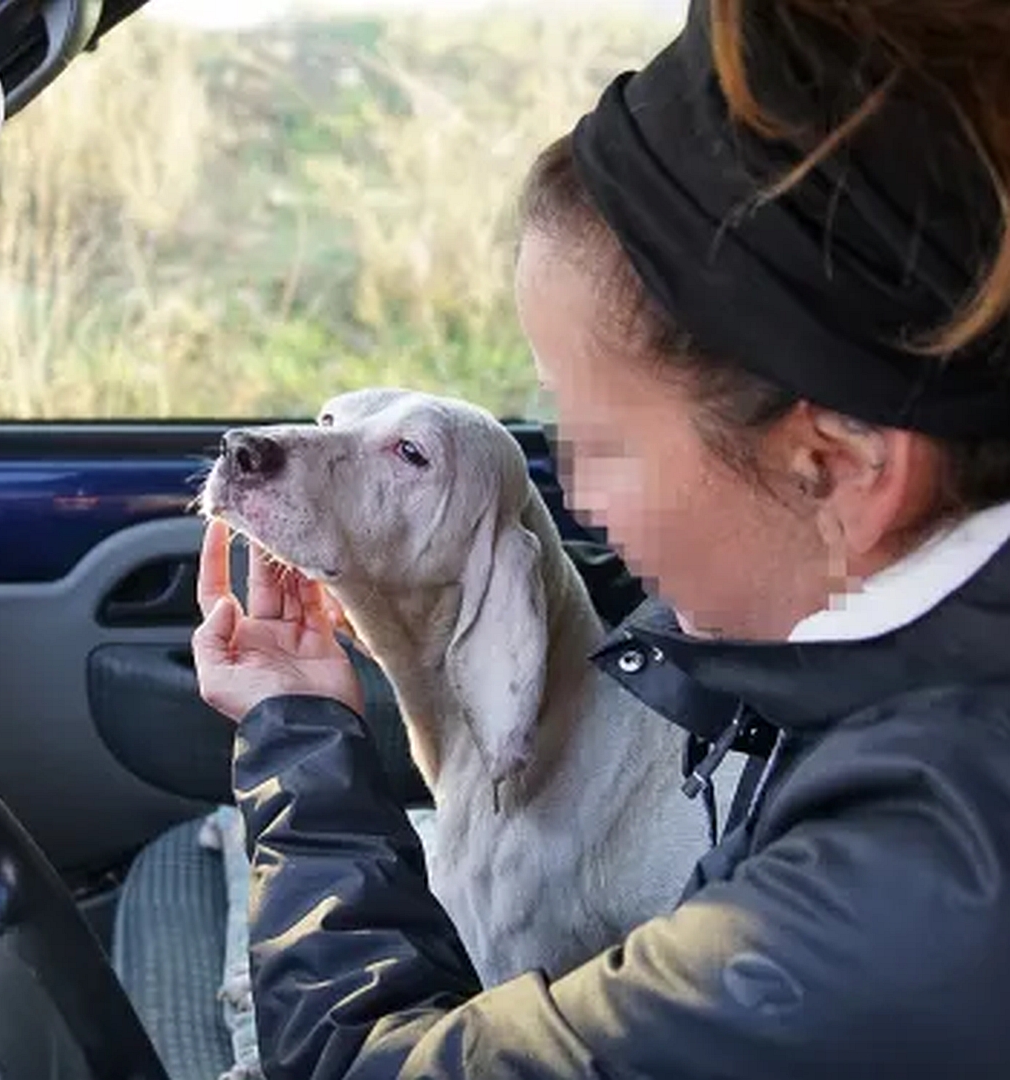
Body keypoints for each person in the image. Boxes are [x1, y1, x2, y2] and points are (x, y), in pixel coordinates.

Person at [192, 0, 1010, 1075]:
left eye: (602, 439)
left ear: (839, 465)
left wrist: (298, 749)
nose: (577, 506)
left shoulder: (900, 886)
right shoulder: (876, 705)